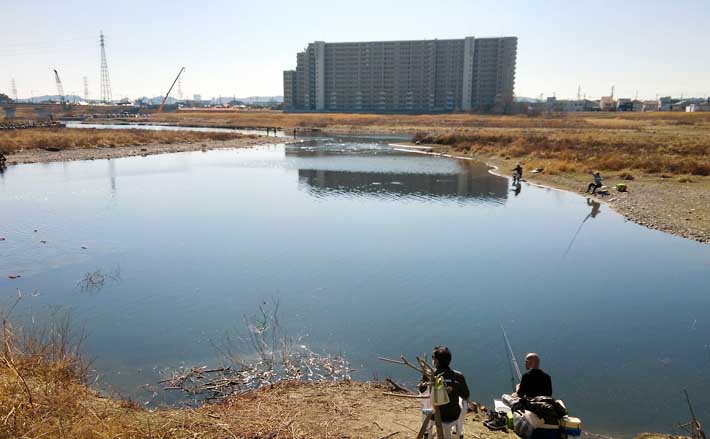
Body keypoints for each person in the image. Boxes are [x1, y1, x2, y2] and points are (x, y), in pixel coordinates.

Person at [419, 346, 470, 425]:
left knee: (425, 397)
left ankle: (426, 431)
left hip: (434, 415)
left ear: (436, 361)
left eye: (433, 357)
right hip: (453, 416)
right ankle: (457, 431)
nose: (432, 359)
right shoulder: (459, 376)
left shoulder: (430, 374)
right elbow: (466, 395)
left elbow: (421, 390)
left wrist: (424, 374)